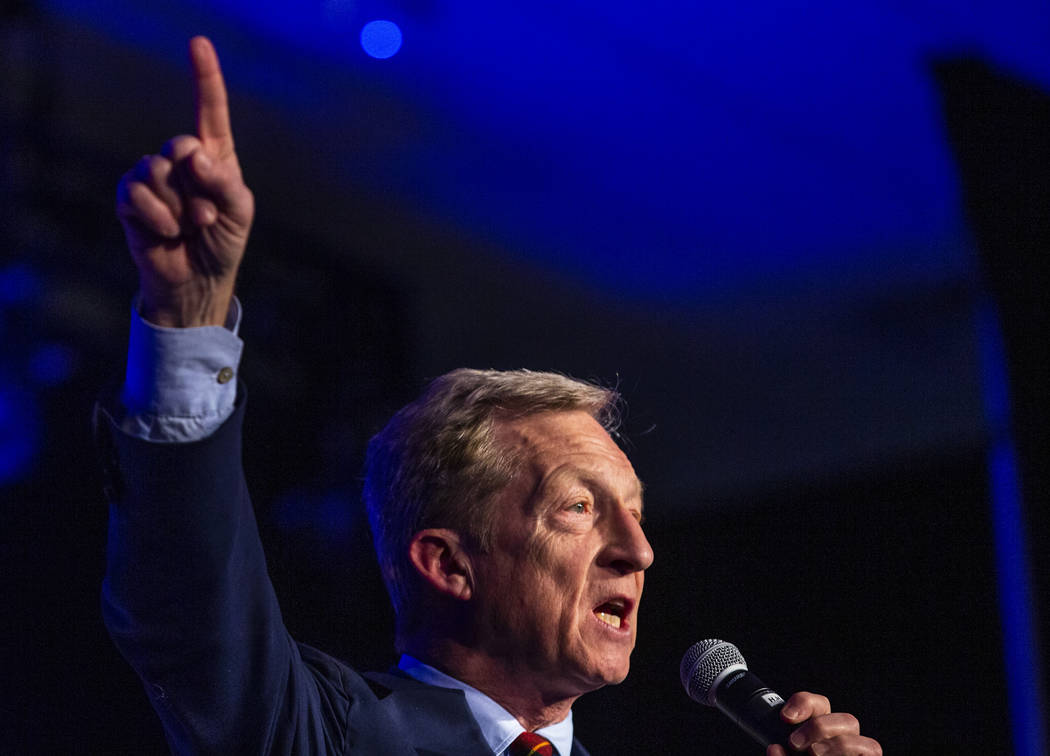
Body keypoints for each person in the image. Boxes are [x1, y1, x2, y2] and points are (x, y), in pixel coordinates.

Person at [99, 35, 883, 755]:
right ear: (447, 563)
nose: (638, 552)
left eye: (635, 514)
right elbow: (197, 619)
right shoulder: (332, 734)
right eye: (579, 508)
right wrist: (188, 320)